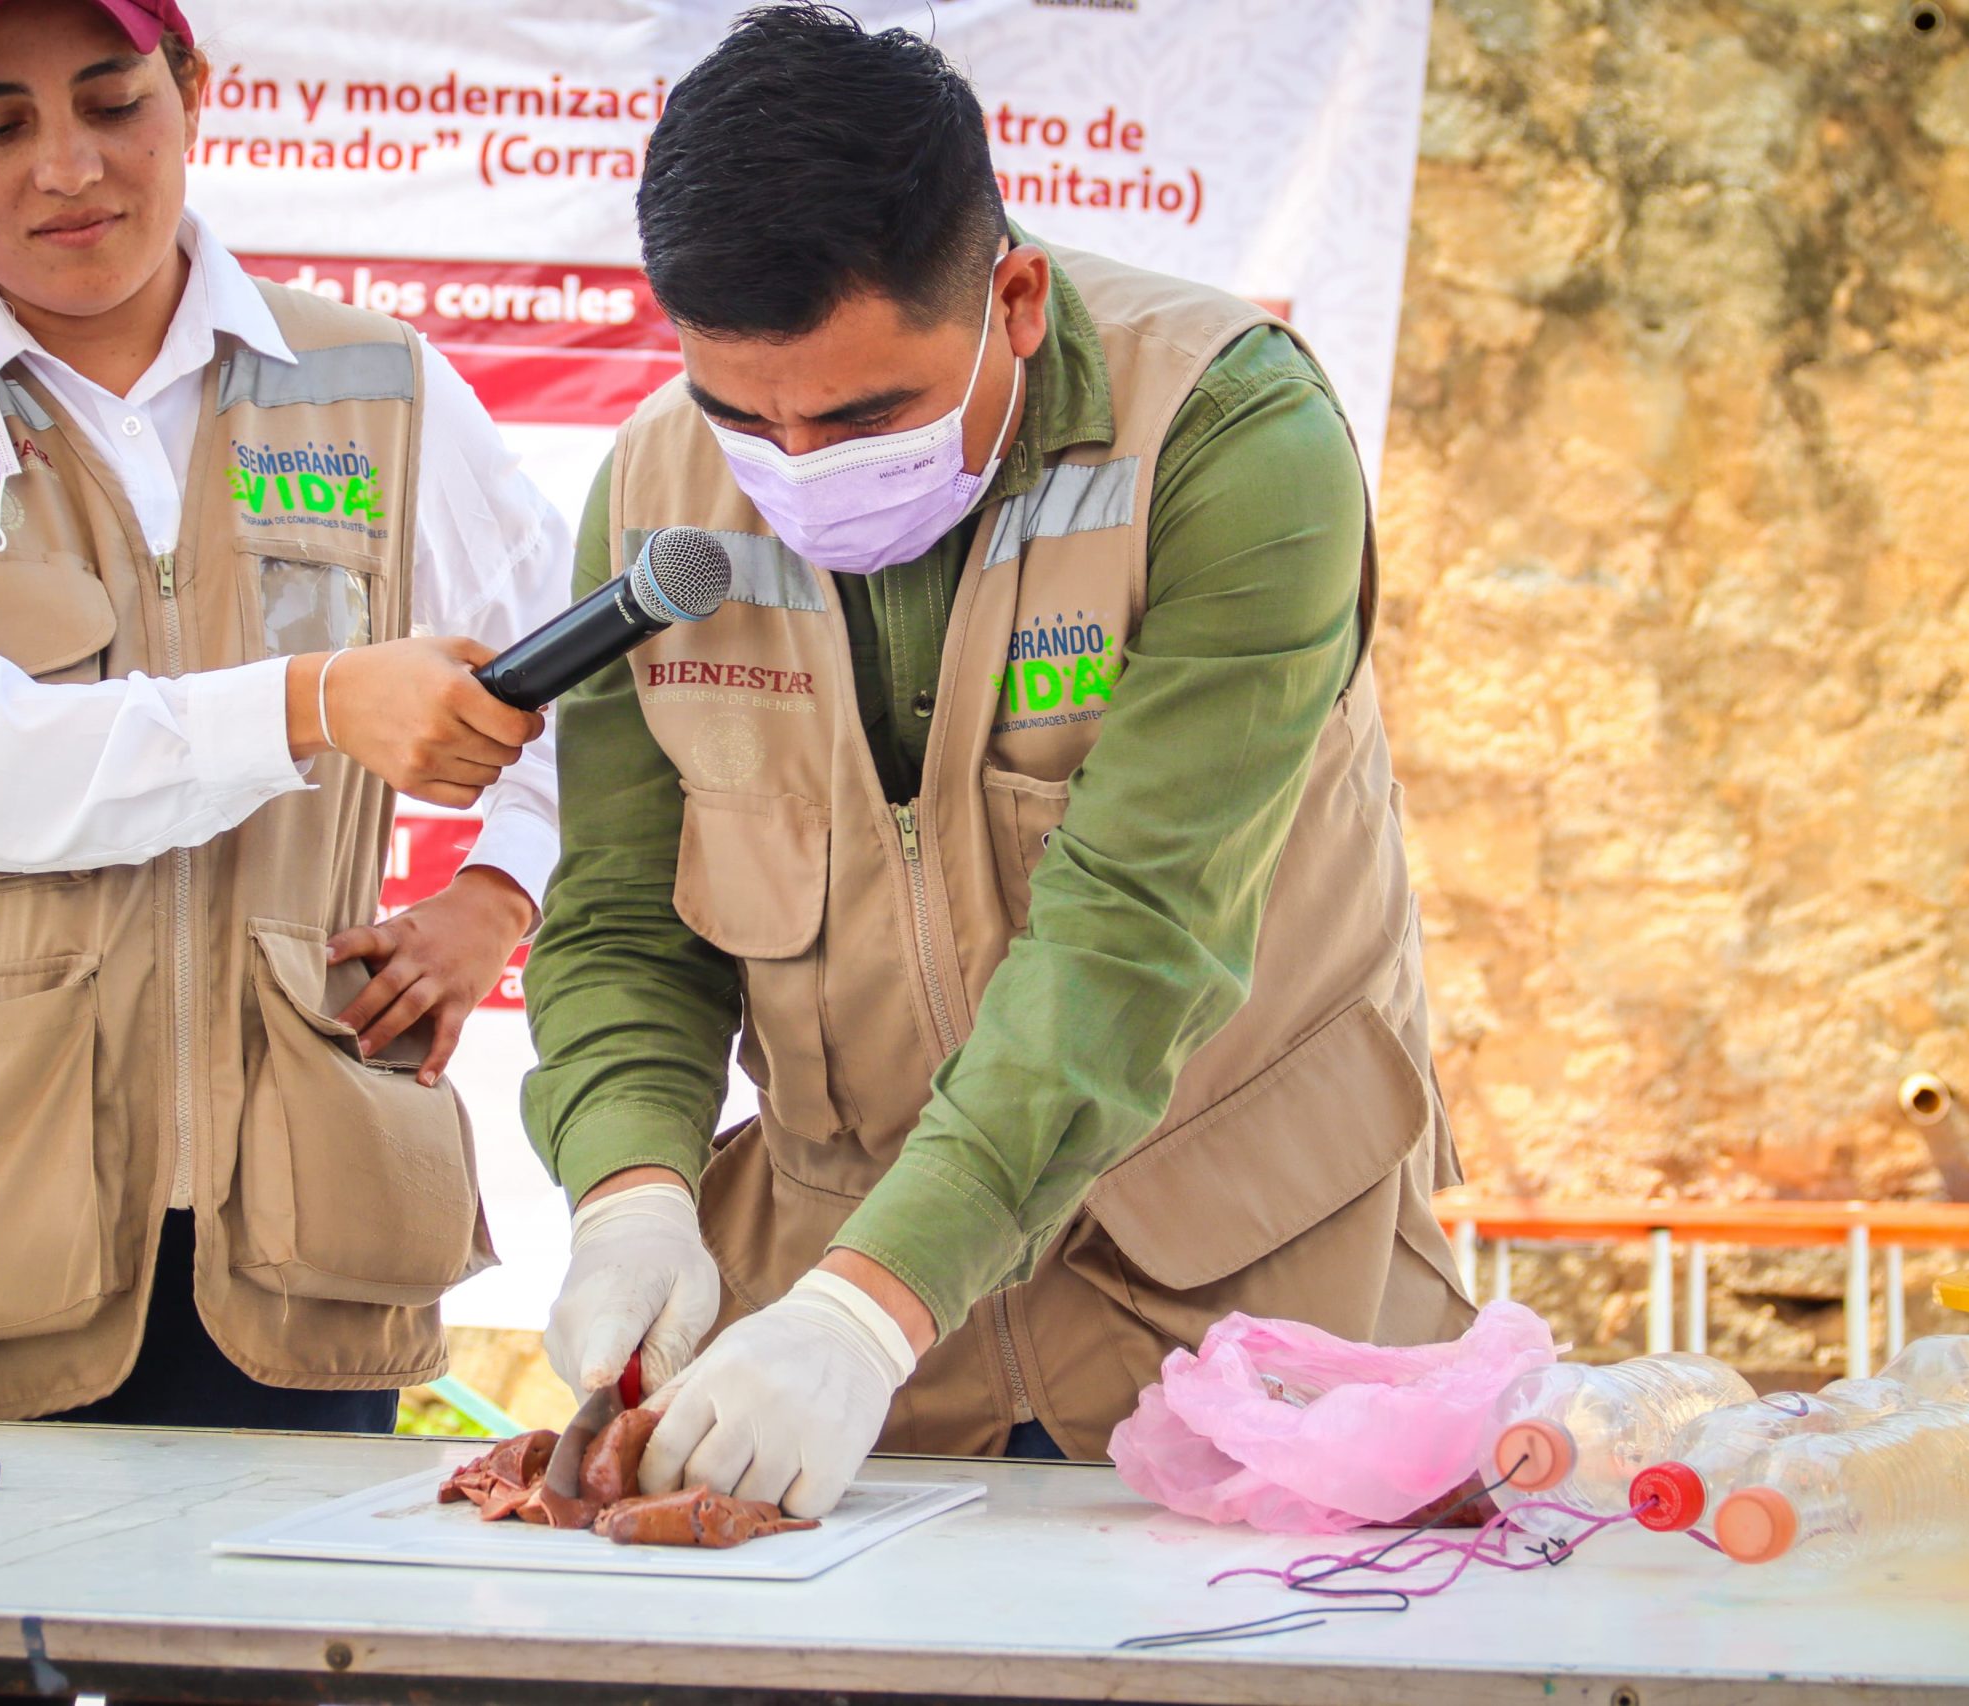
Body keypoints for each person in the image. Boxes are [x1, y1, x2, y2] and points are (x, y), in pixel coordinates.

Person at [523, 2, 1473, 1520]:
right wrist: (631, 1186)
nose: (795, 464)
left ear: (1015, 298)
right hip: (847, 1341)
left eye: (864, 412)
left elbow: (1136, 933)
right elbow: (629, 915)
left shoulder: (1233, 439)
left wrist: (864, 1312)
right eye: (738, 410)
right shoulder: (656, 490)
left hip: (1246, 1312)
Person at [0, 0, 563, 1453]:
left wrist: (499, 892)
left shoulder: (373, 384)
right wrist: (314, 699)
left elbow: (593, 682)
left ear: (196, 92)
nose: (65, 166)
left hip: (303, 1243)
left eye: (114, 102)